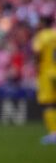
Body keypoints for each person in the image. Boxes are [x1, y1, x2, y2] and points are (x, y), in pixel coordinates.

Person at [33, 15, 56, 144]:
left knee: (48, 103)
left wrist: (37, 65)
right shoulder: (55, 35)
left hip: (47, 72)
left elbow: (37, 52)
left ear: (42, 23)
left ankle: (54, 133)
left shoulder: (41, 36)